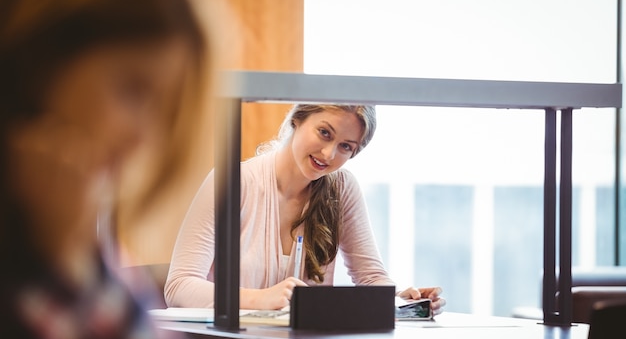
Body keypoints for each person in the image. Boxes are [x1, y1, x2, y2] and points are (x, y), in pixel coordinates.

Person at [0, 0, 249, 339]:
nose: (143, 138)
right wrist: (54, 265)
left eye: (163, 109)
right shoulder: (52, 236)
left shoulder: (68, 221)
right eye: (133, 89)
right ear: (39, 59)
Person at [165, 104, 446, 312]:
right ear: (297, 119)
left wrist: (402, 301)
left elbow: (370, 277)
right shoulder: (233, 182)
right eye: (324, 133)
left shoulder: (342, 188)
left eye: (346, 147)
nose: (328, 154)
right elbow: (179, 286)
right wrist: (260, 299)